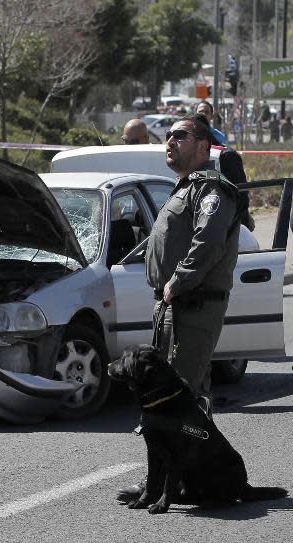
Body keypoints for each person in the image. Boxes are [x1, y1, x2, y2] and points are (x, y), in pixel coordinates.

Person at [117, 115, 242, 502]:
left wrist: (177, 280)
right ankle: (185, 476)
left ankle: (168, 484)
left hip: (193, 303)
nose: (170, 141)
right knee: (185, 402)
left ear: (204, 145)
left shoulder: (212, 189)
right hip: (175, 305)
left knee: (175, 402)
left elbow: (208, 243)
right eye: (167, 135)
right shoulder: (184, 189)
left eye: (180, 135)